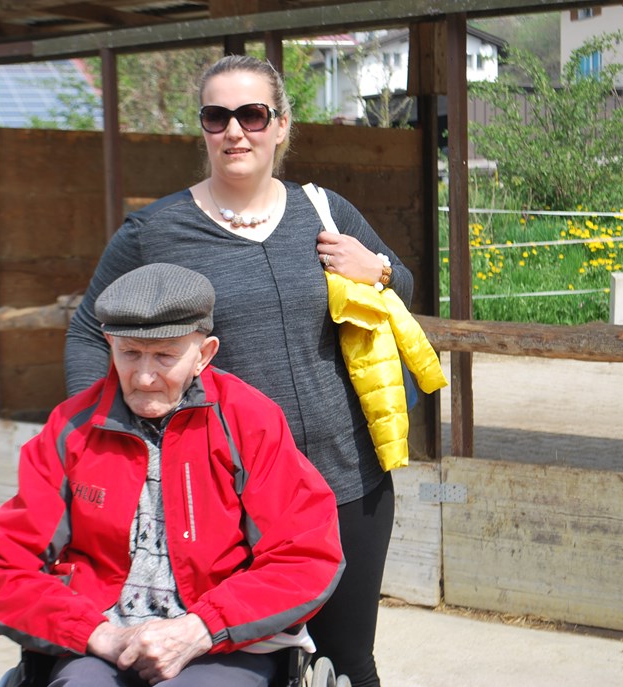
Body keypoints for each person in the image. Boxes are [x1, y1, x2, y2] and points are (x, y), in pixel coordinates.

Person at [63, 54, 415, 687]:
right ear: (201, 128)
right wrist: (99, 435)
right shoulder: (156, 230)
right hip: (227, 490)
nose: (234, 131)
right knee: (244, 663)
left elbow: (402, 288)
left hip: (347, 474)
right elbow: (91, 328)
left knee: (349, 660)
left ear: (280, 125)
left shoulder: (324, 211)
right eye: (216, 116)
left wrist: (380, 269)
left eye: (252, 115)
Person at [0, 263, 344, 687]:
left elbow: (306, 554)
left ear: (204, 354)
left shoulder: (250, 421)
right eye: (130, 353)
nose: (144, 377)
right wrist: (98, 635)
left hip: (222, 640)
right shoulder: (70, 428)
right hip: (103, 639)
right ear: (109, 343)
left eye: (165, 356)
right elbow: (5, 570)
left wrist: (200, 628)